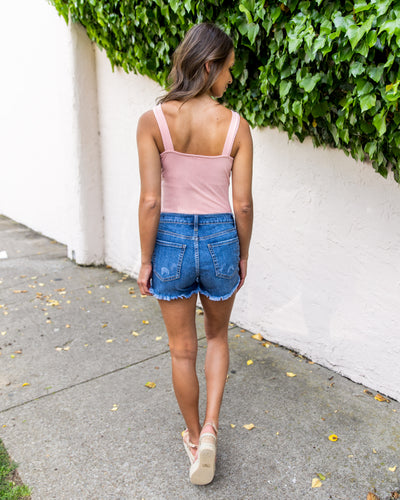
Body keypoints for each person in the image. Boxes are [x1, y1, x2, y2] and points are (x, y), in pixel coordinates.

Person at [136, 22, 253, 485]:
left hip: (171, 241)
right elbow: (242, 203)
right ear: (209, 65)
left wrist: (146, 261)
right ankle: (210, 431)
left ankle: (190, 437)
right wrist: (242, 253)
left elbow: (150, 201)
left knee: (182, 351)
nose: (230, 80)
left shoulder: (154, 121)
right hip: (222, 236)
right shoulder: (237, 126)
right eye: (228, 70)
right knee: (218, 338)